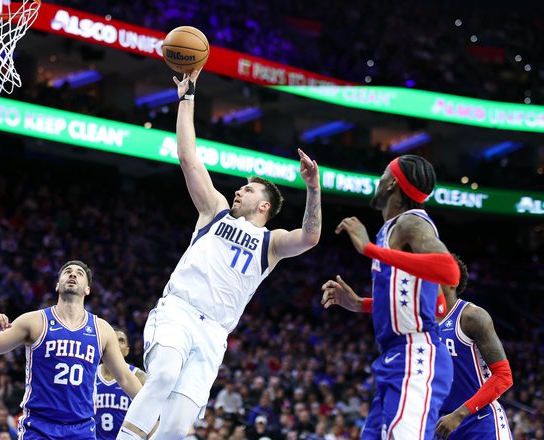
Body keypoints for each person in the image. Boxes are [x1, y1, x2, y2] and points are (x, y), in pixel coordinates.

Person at [118, 68, 322, 440]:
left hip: (213, 333)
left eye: (247, 190)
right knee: (162, 373)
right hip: (178, 310)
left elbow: (309, 237)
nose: (238, 192)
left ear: (264, 206)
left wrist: (313, 188)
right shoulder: (214, 212)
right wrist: (186, 98)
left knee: (178, 426)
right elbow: (187, 156)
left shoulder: (272, 244)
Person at [321, 154, 461, 439]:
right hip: (394, 358)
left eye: (384, 174)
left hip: (415, 356)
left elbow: (450, 271)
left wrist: (367, 248)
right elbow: (437, 304)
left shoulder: (412, 223)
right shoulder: (392, 229)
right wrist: (361, 304)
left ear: (392, 184)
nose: (379, 179)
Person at [0, 260, 142, 439]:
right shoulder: (35, 321)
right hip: (39, 426)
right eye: (67, 272)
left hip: (82, 428)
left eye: (79, 273)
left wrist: (155, 409)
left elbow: (125, 378)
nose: (72, 274)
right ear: (57, 285)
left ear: (87, 289)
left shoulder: (102, 329)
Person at [434, 255, 513, 439]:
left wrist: (459, 414)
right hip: (444, 425)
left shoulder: (472, 316)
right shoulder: (424, 322)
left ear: (452, 282)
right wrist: (359, 303)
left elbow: (504, 377)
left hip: (480, 422)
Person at [95, 330, 147, 440]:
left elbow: (151, 416)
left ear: (127, 351)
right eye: (113, 339)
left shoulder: (140, 377)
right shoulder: (90, 374)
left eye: (121, 340)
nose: (116, 343)